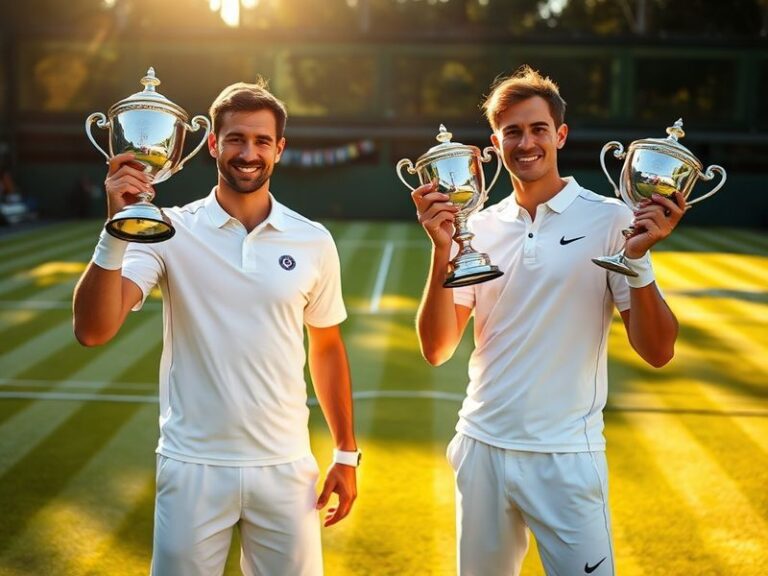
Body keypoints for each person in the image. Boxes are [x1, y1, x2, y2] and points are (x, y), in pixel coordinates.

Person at [73, 80, 360, 576]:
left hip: (285, 465)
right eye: (236, 139)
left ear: (280, 149)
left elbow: (328, 347)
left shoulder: (314, 240)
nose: (248, 153)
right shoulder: (167, 230)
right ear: (212, 144)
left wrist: (346, 454)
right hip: (192, 465)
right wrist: (114, 229)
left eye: (262, 141)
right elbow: (93, 330)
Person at [410, 65, 684, 576]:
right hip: (482, 447)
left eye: (538, 129)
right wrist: (440, 250)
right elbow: (437, 347)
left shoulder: (611, 219)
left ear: (559, 134)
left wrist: (642, 261)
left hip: (565, 455)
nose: (526, 142)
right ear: (495, 142)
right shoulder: (481, 226)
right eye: (512, 131)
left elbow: (658, 350)